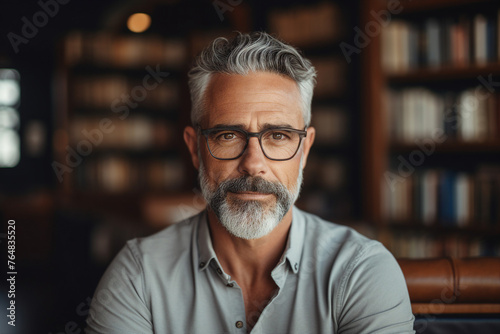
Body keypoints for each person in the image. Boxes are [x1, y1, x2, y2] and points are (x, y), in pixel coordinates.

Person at [85, 32, 415, 334]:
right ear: (195, 149)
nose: (253, 164)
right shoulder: (138, 276)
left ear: (305, 150)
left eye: (278, 136)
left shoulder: (361, 272)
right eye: (228, 135)